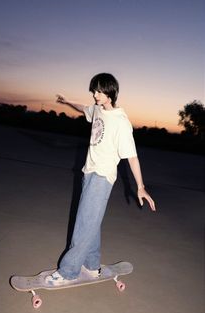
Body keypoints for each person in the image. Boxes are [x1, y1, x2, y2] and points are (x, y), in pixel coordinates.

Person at [46, 73, 156, 286]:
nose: (95, 95)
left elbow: (131, 155)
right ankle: (92, 265)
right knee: (92, 220)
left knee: (85, 222)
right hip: (89, 171)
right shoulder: (97, 109)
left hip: (102, 176)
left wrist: (140, 187)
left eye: (99, 91)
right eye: (93, 91)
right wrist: (67, 101)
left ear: (110, 92)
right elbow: (83, 108)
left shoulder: (121, 122)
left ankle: (68, 271)